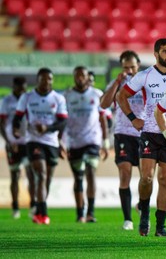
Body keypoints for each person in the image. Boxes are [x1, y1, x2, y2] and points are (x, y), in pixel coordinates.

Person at [117, 38, 166, 237]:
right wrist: (133, 118)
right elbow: (121, 96)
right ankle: (144, 212)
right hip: (150, 133)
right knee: (146, 178)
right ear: (155, 54)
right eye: (164, 51)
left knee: (165, 180)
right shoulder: (145, 76)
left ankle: (160, 226)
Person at [12, 68, 68, 225]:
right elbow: (18, 117)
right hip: (33, 140)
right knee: (41, 175)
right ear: (37, 80)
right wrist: (15, 131)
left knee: (48, 178)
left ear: (52, 80)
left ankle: (38, 207)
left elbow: (63, 121)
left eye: (49, 79)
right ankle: (43, 214)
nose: (46, 82)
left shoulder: (58, 98)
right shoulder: (27, 97)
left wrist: (49, 130)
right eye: (43, 79)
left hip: (51, 142)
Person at [100, 50, 144, 230]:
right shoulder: (118, 83)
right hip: (123, 133)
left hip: (143, 134)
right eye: (126, 68)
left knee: (146, 177)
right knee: (125, 173)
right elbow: (103, 104)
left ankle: (142, 205)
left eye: (132, 67)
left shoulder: (145, 81)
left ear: (138, 65)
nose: (129, 71)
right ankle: (128, 219)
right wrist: (118, 82)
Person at [63, 66, 109, 223]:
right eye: (77, 75)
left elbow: (103, 118)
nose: (80, 78)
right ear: (74, 77)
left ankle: (90, 211)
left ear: (86, 76)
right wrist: (61, 142)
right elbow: (63, 121)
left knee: (90, 171)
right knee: (79, 177)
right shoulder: (67, 96)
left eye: (83, 75)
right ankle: (79, 212)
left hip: (93, 140)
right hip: (74, 141)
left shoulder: (96, 94)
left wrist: (106, 141)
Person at [0, 76, 36, 219]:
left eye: (25, 88)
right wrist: (8, 141)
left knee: (31, 175)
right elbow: (1, 123)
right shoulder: (6, 101)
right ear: (14, 87)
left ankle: (33, 205)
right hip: (13, 144)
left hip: (27, 142)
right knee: (15, 176)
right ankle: (15, 206)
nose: (23, 90)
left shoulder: (28, 100)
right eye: (20, 88)